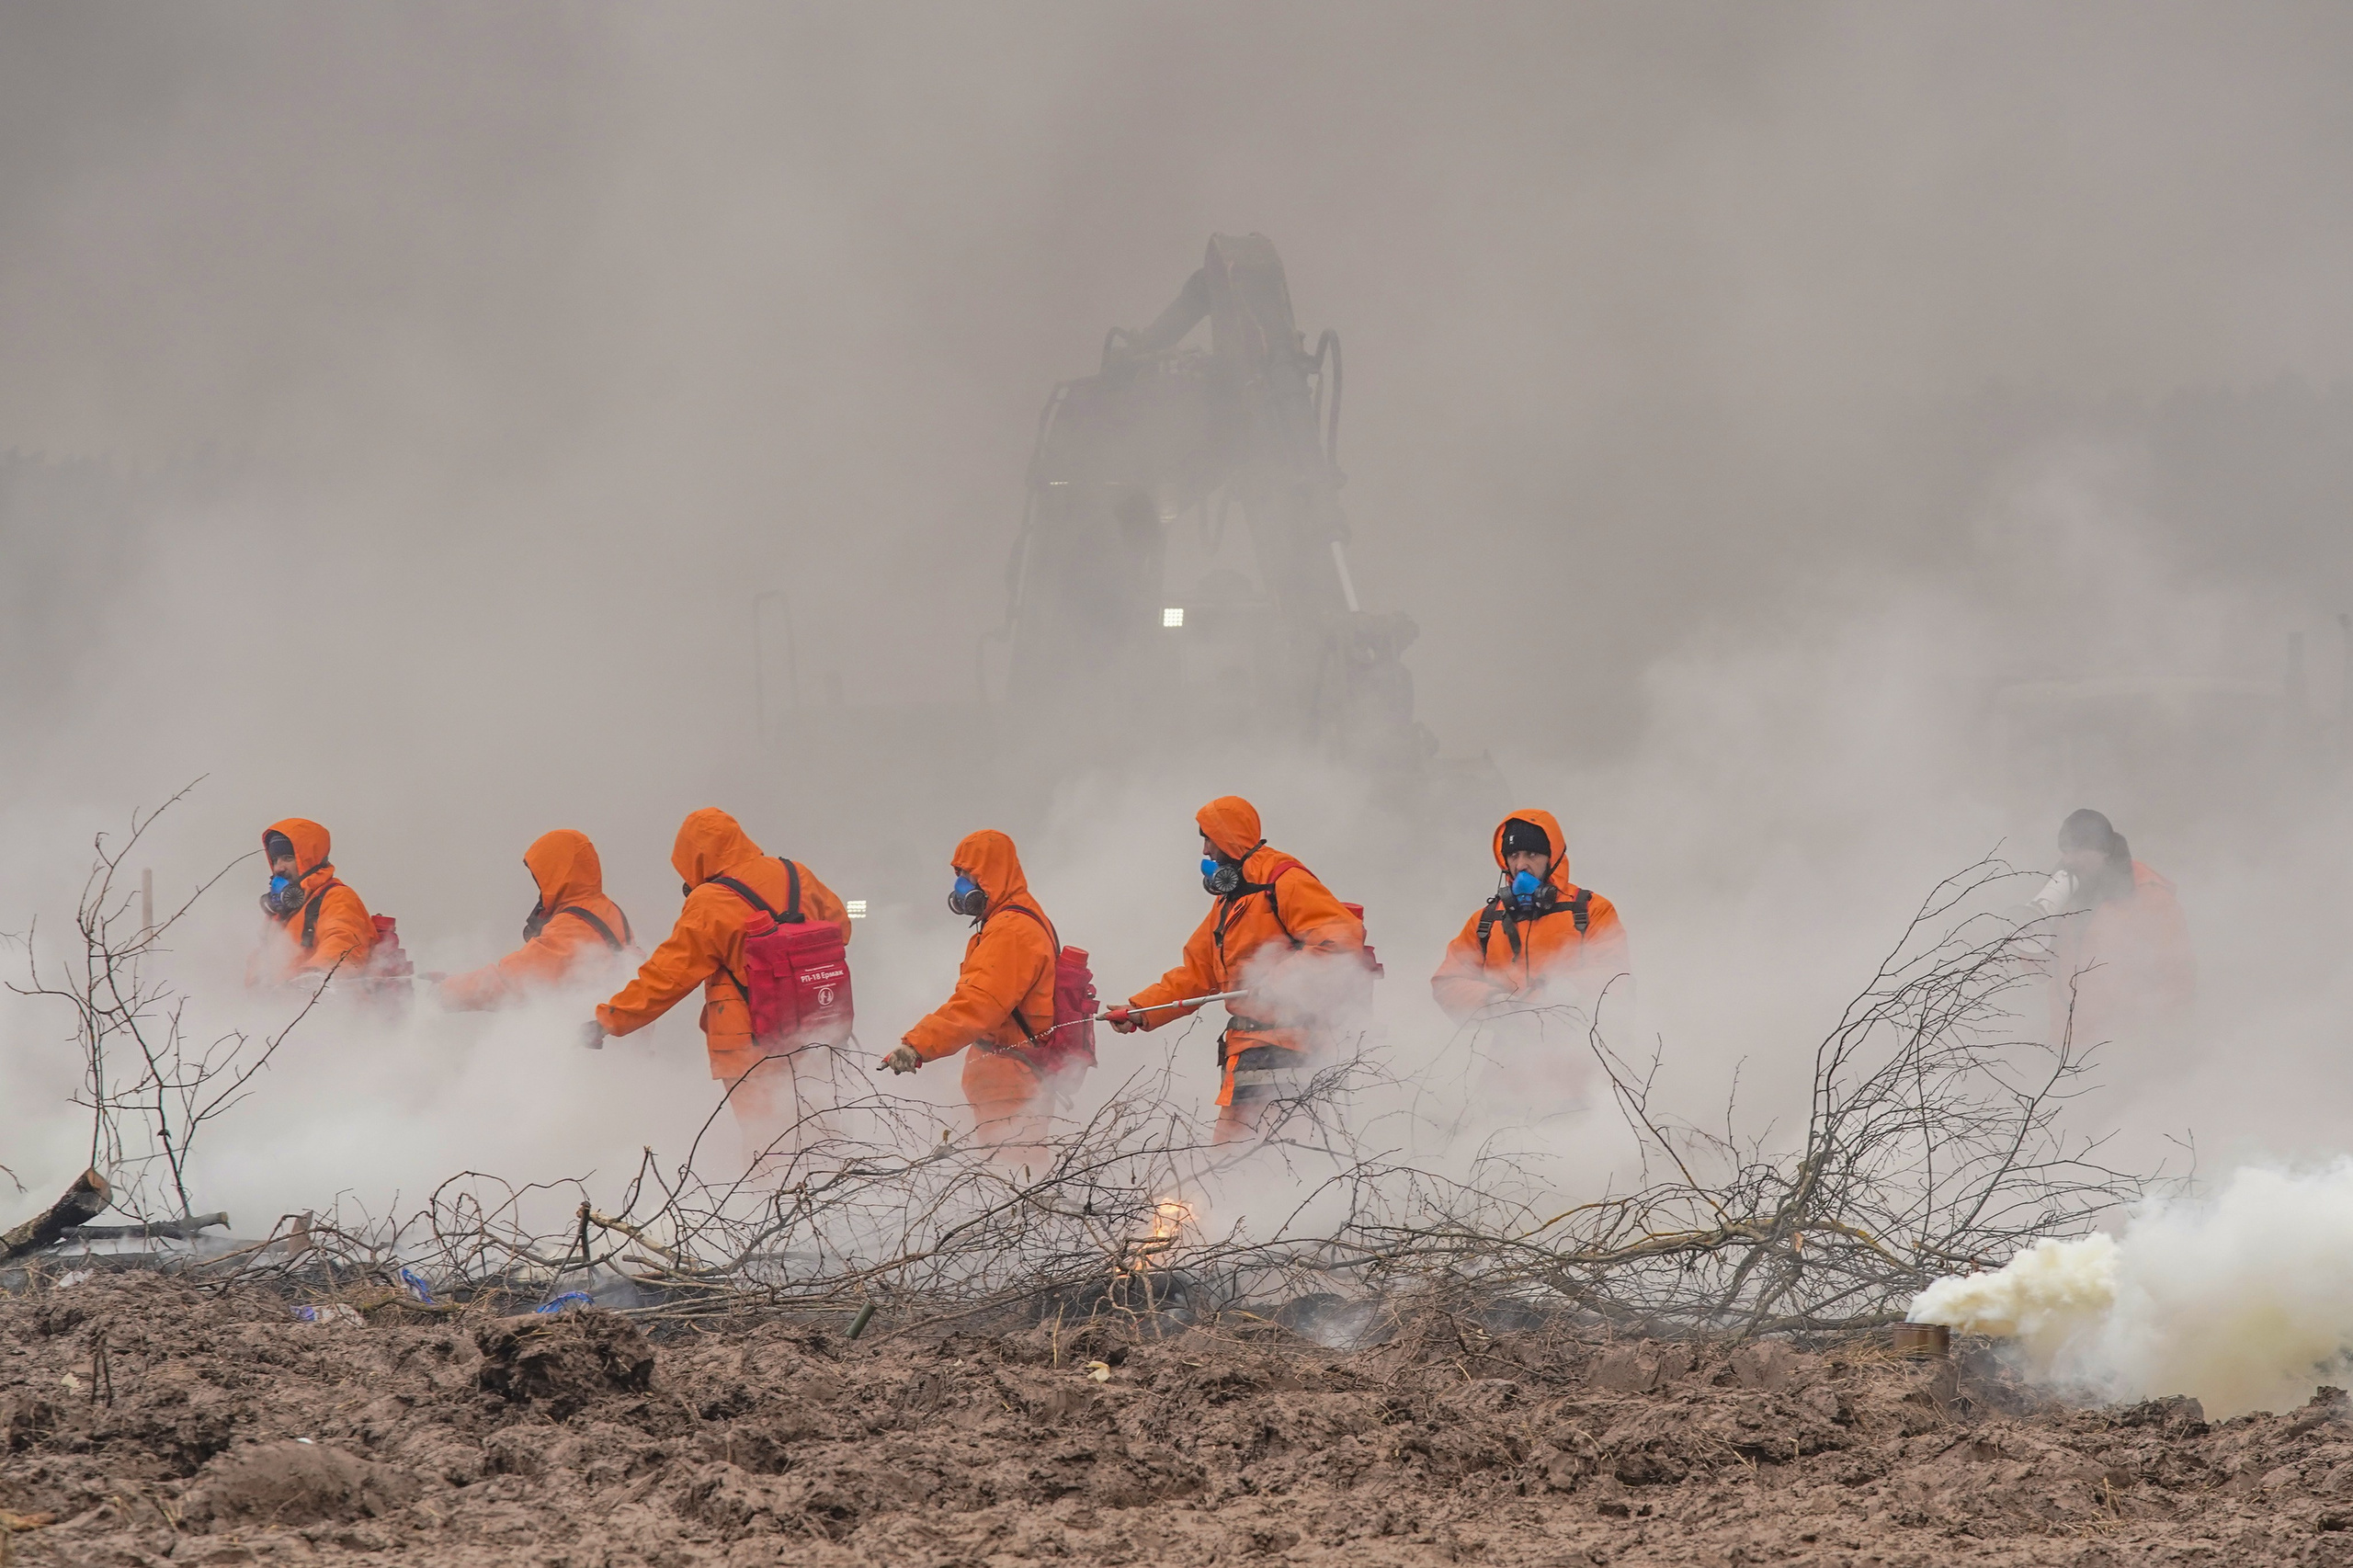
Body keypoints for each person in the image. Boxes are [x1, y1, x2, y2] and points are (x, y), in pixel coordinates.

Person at [585, 809, 851, 1162]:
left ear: (693, 858)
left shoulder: (709, 901)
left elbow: (667, 977)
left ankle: (775, 1208)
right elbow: (841, 928)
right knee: (821, 1130)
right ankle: (836, 1198)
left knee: (769, 1145)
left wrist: (609, 1020)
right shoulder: (796, 873)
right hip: (818, 1026)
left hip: (751, 1044)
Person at [1106, 796, 1366, 1142]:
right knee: (1246, 1161)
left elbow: (1340, 939)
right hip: (1250, 1051)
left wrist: (1275, 982)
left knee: (1247, 1160)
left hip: (1288, 1048)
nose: (1205, 851)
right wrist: (1141, 1010)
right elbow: (1197, 972)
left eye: (1209, 838)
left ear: (1227, 838)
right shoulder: (1232, 900)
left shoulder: (1284, 880)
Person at [881, 830, 1076, 1162]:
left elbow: (979, 1004)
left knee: (1011, 1176)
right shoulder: (1013, 918)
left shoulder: (1011, 930)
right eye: (957, 876)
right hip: (1012, 1076)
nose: (961, 887)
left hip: (1011, 1081)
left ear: (990, 874)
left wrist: (917, 1044)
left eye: (966, 876)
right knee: (1012, 1172)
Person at [1429, 809, 1630, 1119]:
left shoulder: (1591, 911)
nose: (1521, 864)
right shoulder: (1485, 921)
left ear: (1553, 858)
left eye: (1532, 853)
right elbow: (1448, 981)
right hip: (1507, 1074)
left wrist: (1569, 988)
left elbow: (1615, 971)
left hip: (1583, 1071)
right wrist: (1489, 1002)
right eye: (1514, 855)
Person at [2040, 808, 2193, 1052]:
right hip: (2066, 1048)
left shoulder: (2150, 898)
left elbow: (2177, 978)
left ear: (2104, 852)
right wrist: (2027, 940)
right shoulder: (2060, 894)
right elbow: (2038, 971)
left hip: (2127, 1047)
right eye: (2065, 851)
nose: (2069, 860)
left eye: (2079, 851)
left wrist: (2150, 1041)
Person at [437, 829, 634, 1011]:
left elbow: (513, 982)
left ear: (557, 874)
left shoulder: (575, 924)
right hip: (612, 1042)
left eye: (541, 879)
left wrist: (443, 992)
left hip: (585, 1044)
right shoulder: (607, 911)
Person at [250, 818, 377, 985]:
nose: (278, 868)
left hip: (332, 1006)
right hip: (285, 1008)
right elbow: (258, 965)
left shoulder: (337, 898)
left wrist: (314, 976)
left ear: (309, 860)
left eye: (288, 858)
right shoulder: (278, 914)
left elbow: (343, 942)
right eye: (275, 860)